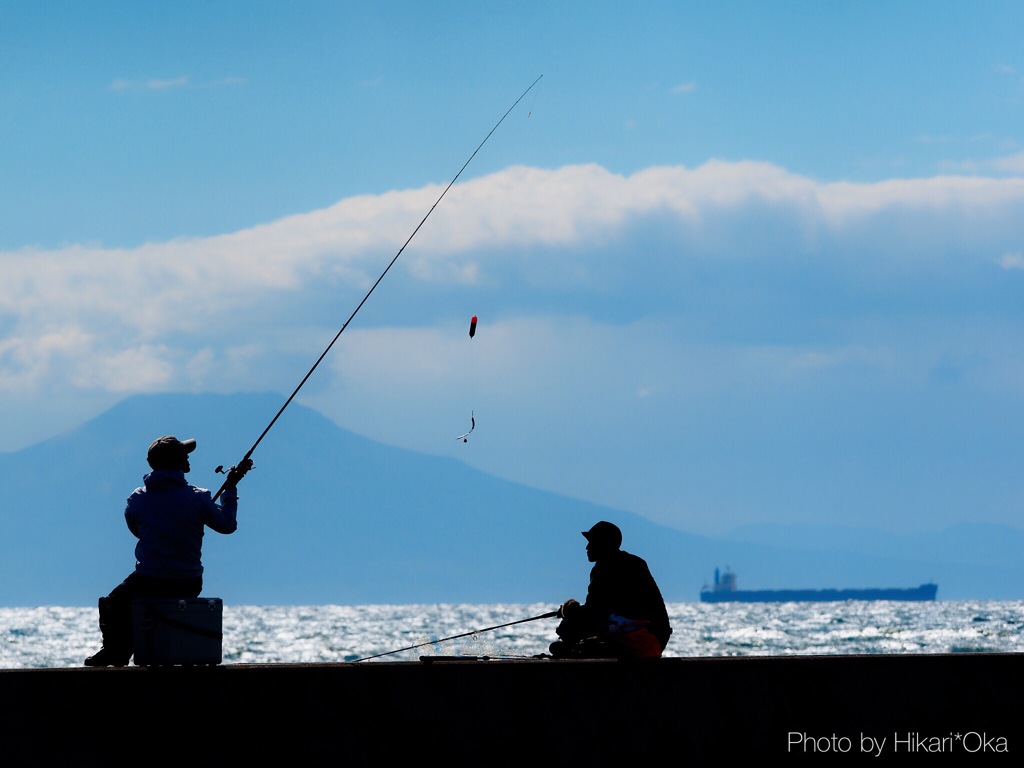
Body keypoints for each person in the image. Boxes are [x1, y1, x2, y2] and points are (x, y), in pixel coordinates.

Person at [84, 436, 252, 667]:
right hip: (188, 581)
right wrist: (230, 488)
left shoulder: (137, 499)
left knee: (114, 604)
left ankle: (116, 652)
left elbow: (137, 530)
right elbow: (227, 526)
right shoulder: (198, 497)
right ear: (176, 461)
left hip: (149, 579)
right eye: (184, 454)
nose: (188, 457)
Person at [550, 521, 672, 659]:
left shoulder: (605, 569)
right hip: (656, 638)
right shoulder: (634, 563)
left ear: (603, 544)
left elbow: (593, 613)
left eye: (592, 542)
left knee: (567, 628)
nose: (587, 547)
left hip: (640, 640)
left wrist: (569, 611)